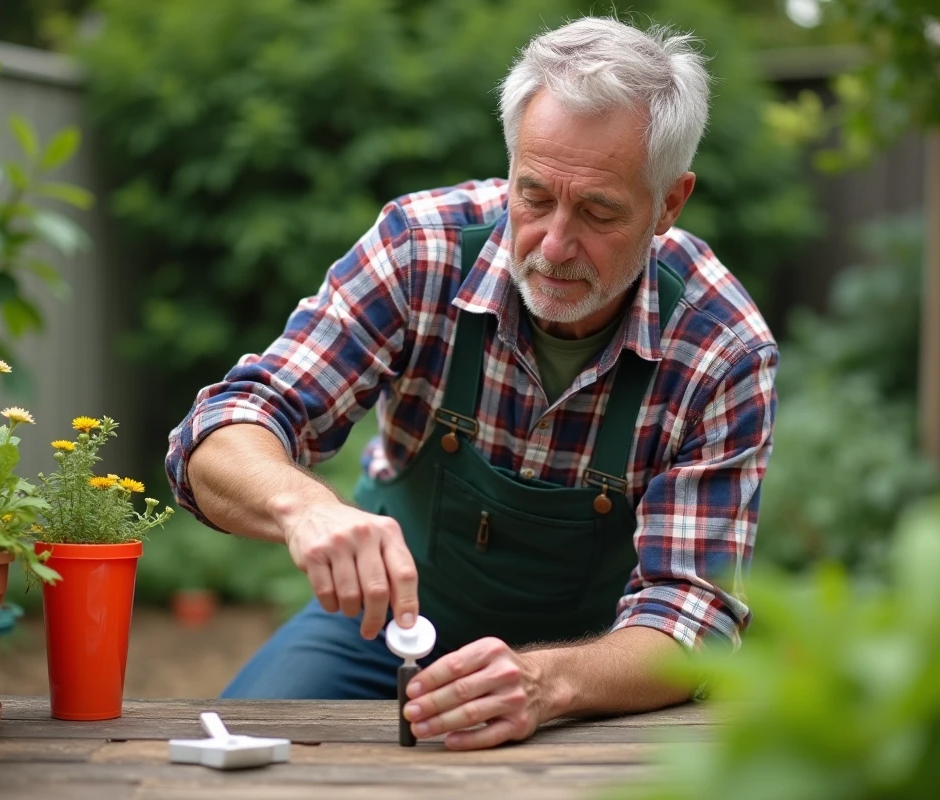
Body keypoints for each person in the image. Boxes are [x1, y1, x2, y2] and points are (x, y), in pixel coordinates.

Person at [165, 15, 777, 751]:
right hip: (387, 635)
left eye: (598, 211)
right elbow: (224, 427)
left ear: (669, 204)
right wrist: (302, 507)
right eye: (536, 195)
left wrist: (549, 684)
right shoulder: (420, 250)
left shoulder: (720, 346)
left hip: (603, 669)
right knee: (232, 753)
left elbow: (693, 619)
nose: (553, 245)